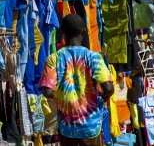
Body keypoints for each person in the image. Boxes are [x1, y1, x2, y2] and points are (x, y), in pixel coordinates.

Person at [39, 14, 114, 146]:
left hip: (66, 128)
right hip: (91, 127)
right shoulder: (94, 57)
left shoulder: (53, 59)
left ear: (62, 33)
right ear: (83, 32)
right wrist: (102, 98)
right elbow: (108, 88)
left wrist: (61, 99)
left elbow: (46, 90)